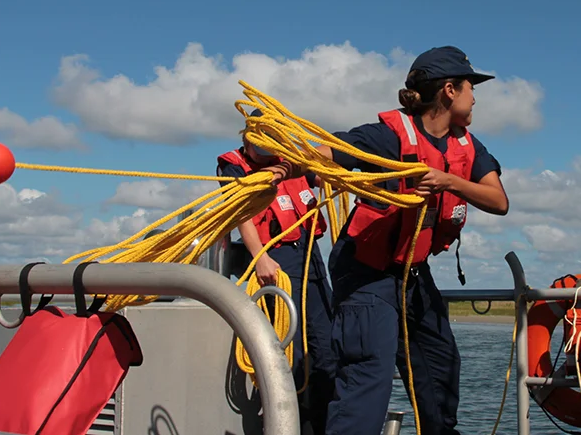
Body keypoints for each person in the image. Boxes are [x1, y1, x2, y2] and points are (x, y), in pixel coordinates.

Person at [267, 46, 509, 435]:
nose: (475, 97)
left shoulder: (467, 145)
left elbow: (499, 201)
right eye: (470, 87)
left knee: (441, 369)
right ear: (449, 90)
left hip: (412, 274)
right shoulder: (389, 137)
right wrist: (282, 167)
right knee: (368, 374)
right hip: (366, 271)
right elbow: (332, 150)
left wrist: (448, 181)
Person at [216, 110, 336, 435]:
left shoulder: (291, 160)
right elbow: (241, 211)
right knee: (291, 350)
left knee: (324, 347)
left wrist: (326, 163)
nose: (268, 155)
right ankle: (287, 426)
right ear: (248, 139)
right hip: (277, 260)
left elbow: (322, 179)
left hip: (311, 256)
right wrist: (261, 257)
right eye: (261, 148)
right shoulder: (234, 167)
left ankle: (321, 425)